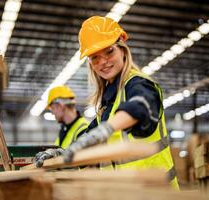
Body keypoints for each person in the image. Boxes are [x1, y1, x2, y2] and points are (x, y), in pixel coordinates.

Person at [62, 16, 179, 189]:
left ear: (123, 50)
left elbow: (140, 106)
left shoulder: (139, 84)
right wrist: (63, 152)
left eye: (109, 51)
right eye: (95, 57)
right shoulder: (109, 98)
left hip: (156, 192)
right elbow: (90, 134)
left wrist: (107, 129)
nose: (103, 62)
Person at [34, 85, 89, 167]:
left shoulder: (84, 128)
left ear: (60, 105)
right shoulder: (63, 130)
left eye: (52, 108)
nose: (52, 113)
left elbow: (81, 159)